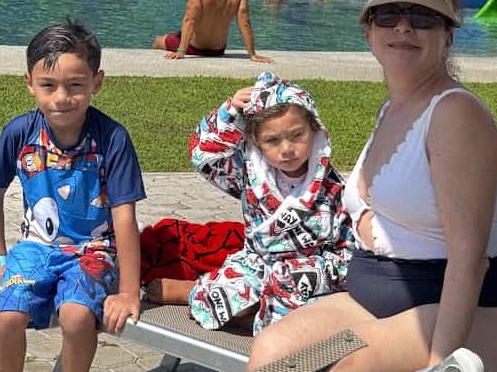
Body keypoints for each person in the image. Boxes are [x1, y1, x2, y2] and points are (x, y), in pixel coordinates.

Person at [247, 0, 497, 372]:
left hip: (472, 323)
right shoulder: (395, 107)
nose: (404, 27)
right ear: (368, 31)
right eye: (388, 15)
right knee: (272, 351)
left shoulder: (454, 114)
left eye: (423, 17)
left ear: (448, 34)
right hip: (380, 302)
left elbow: (469, 259)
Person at [0, 22, 145, 372]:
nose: (62, 98)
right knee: (7, 316)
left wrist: (128, 290)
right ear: (29, 82)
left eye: (75, 85)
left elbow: (125, 219)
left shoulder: (112, 138)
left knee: (75, 317)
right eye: (48, 85)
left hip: (94, 251)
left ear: (97, 82)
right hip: (36, 248)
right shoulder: (20, 132)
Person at [145, 71, 354, 334]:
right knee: (226, 295)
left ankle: (257, 316)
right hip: (257, 266)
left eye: (296, 135)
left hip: (308, 276)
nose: (287, 149)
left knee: (310, 314)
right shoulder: (250, 174)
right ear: (256, 141)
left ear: (315, 131)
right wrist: (229, 112)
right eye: (273, 140)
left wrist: (318, 272)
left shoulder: (335, 189)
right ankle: (199, 293)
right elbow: (202, 155)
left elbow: (350, 250)